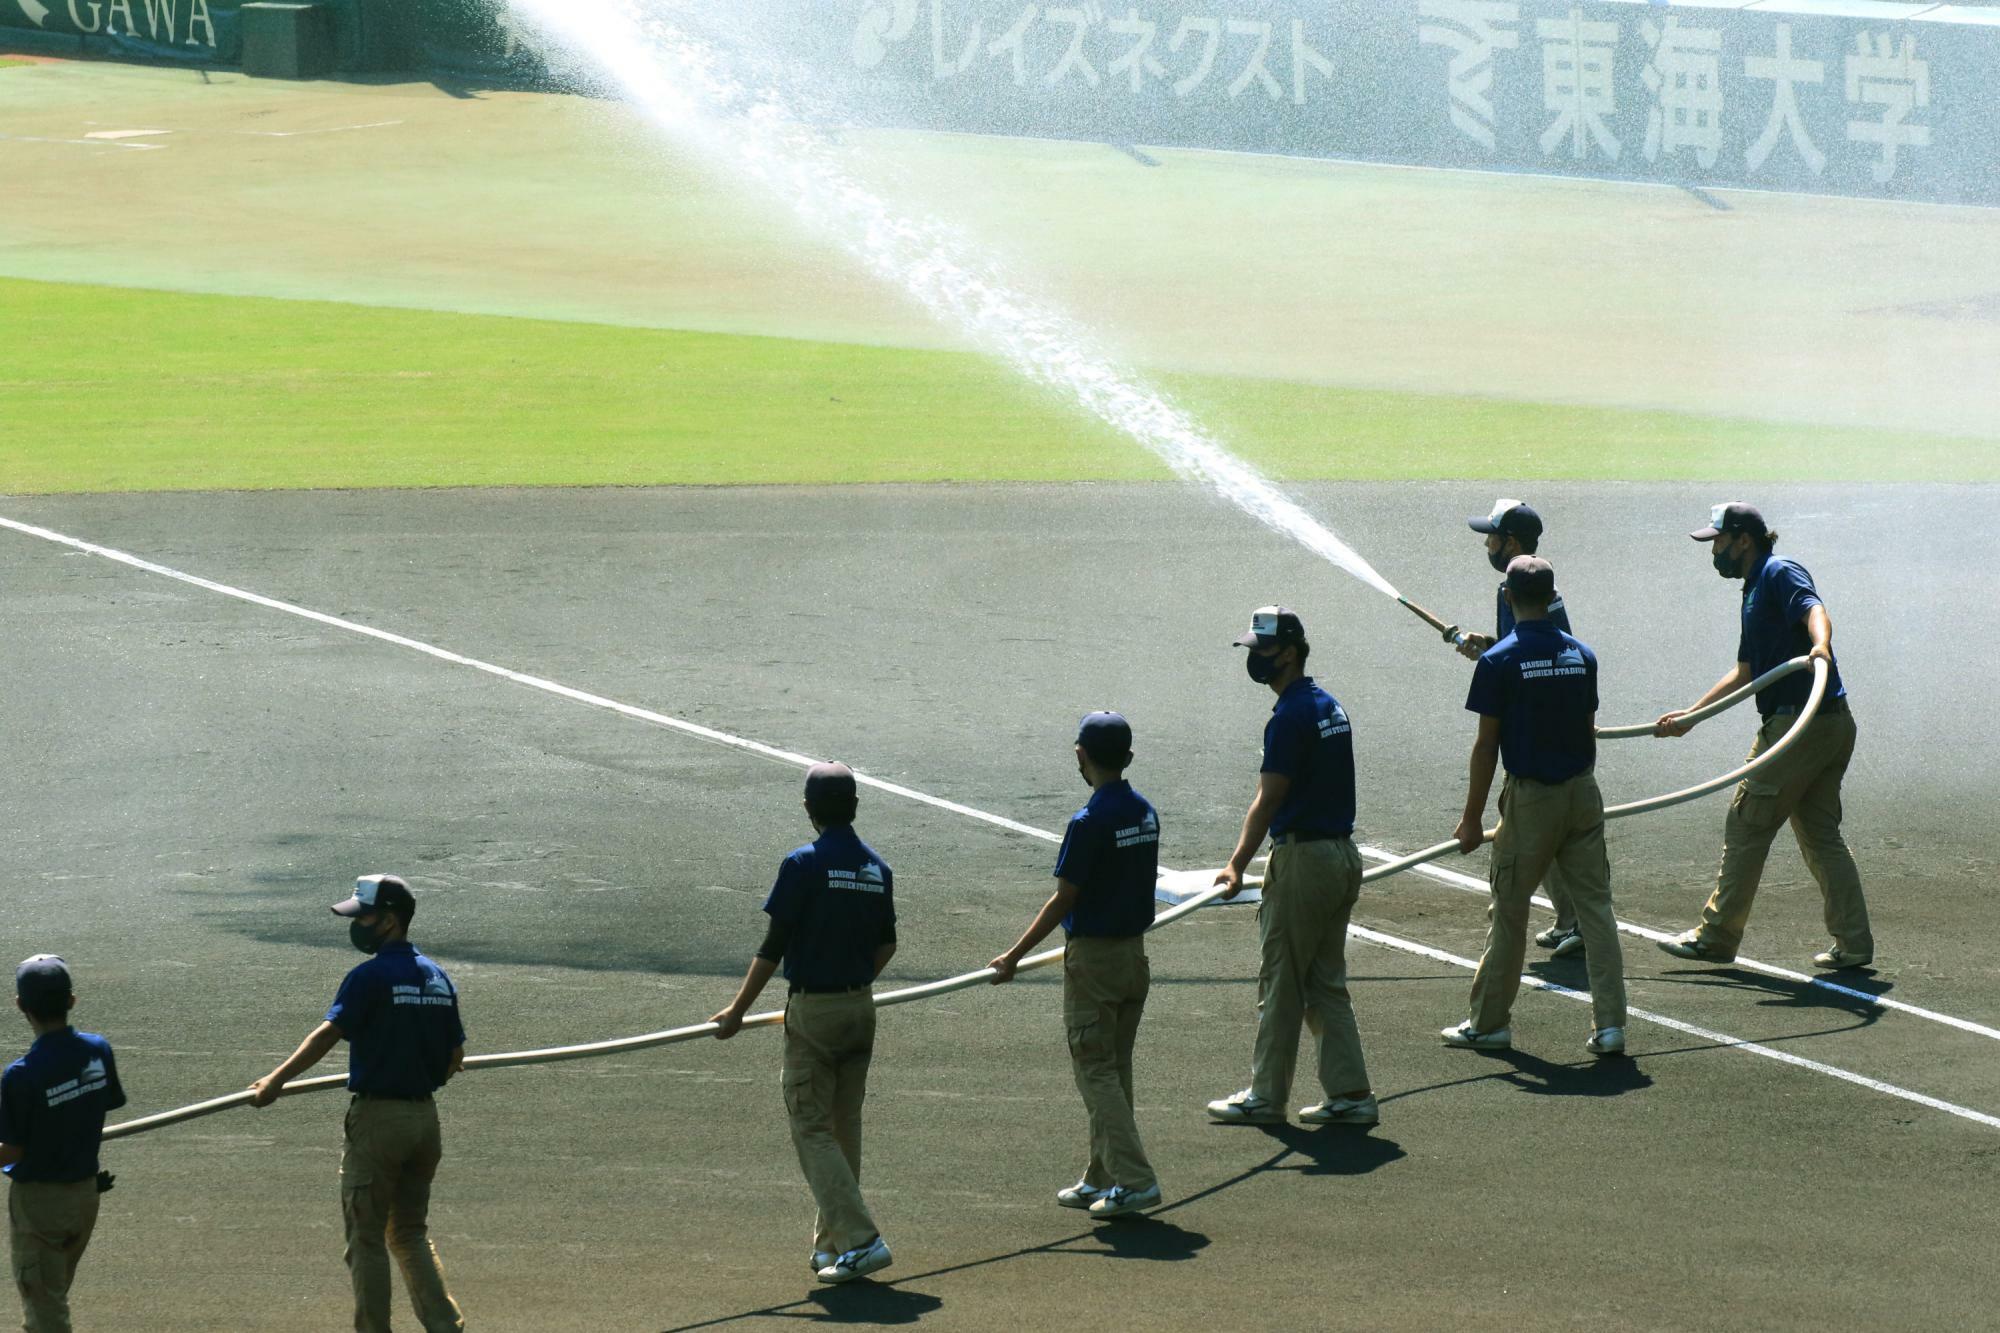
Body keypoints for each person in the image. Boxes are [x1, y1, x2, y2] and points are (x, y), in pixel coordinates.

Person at [1654, 503, 1873, 970]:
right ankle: (1853, 943)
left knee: (1747, 822)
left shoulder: (1777, 572)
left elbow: (1813, 608)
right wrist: (1693, 715)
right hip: (1826, 724)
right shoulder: (1753, 591)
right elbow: (1746, 672)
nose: (1713, 551)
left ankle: (1715, 936)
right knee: (1819, 833)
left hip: (1799, 724)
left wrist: (1819, 646)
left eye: (1717, 541)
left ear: (1742, 540)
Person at [250, 874, 466, 1333]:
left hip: (379, 1123)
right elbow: (454, 1059)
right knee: (409, 1233)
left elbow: (328, 1033)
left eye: (362, 916)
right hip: (425, 1121)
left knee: (366, 1239)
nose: (356, 925)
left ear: (388, 920)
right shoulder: (437, 976)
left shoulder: (369, 976)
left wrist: (275, 1081)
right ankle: (445, 1327)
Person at [711, 762, 898, 1284]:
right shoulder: (877, 869)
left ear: (809, 809)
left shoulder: (802, 864)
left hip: (815, 1012)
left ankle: (862, 1240)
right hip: (861, 1009)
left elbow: (774, 947)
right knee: (844, 1128)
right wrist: (855, 982)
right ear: (856, 806)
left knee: (811, 1126)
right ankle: (832, 1243)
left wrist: (738, 1010)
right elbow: (887, 944)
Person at [1442, 557, 1628, 1056]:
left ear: (1507, 598)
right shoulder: (1582, 656)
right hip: (1583, 794)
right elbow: (1586, 725)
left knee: (1510, 910)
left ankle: (1488, 1022)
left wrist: (1471, 818)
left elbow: (1486, 747)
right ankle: (1611, 1026)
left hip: (1531, 800)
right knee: (1596, 911)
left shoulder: (1497, 661)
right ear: (1551, 598)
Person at [1206, 606, 1376, 1127]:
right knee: (1325, 981)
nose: (1254, 659)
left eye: (1261, 650)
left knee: (1281, 981)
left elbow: (1269, 799)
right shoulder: (1329, 706)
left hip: (1303, 862)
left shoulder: (1288, 718)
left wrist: (1236, 864)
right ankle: (1350, 1095)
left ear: (1289, 652)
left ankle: (1265, 1095)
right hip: (1340, 856)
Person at [990, 712, 1162, 1219]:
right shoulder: (1145, 812)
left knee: (1095, 1072)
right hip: (1133, 956)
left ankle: (1135, 1180)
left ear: (1081, 756)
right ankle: (1102, 1174)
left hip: (1095, 962)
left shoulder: (1088, 822)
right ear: (1128, 758)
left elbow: (1064, 898)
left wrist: (1013, 956)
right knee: (1114, 1069)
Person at [1458, 498, 1583, 960]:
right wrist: (1489, 645)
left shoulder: (1540, 595)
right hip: (1536, 734)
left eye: (1491, 536)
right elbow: (1524, 645)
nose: (1486, 544)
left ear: (1511, 542)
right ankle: (1572, 919)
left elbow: (1553, 651)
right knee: (1547, 834)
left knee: (1537, 832)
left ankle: (1578, 922)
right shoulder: (1513, 589)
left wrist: (1497, 658)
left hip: (1539, 739)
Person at [2, 955, 125, 1333]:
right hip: (84, 1195)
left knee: (46, 1309)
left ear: (21, 1005)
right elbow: (102, 1105)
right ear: (71, 1000)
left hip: (41, 1204)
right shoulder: (97, 1050)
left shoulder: (21, 1075)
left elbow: (12, 1150)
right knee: (50, 1293)